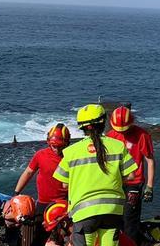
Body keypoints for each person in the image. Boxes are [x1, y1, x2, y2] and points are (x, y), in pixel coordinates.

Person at [52, 104, 139, 246]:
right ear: (104, 123)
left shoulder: (71, 152)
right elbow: (131, 176)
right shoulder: (118, 146)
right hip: (112, 209)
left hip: (83, 211)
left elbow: (64, 184)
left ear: (81, 127)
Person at [105, 106, 155, 245]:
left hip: (134, 183)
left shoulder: (142, 135)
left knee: (129, 219)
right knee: (114, 217)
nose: (122, 132)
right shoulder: (111, 135)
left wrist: (150, 186)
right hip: (115, 182)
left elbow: (150, 161)